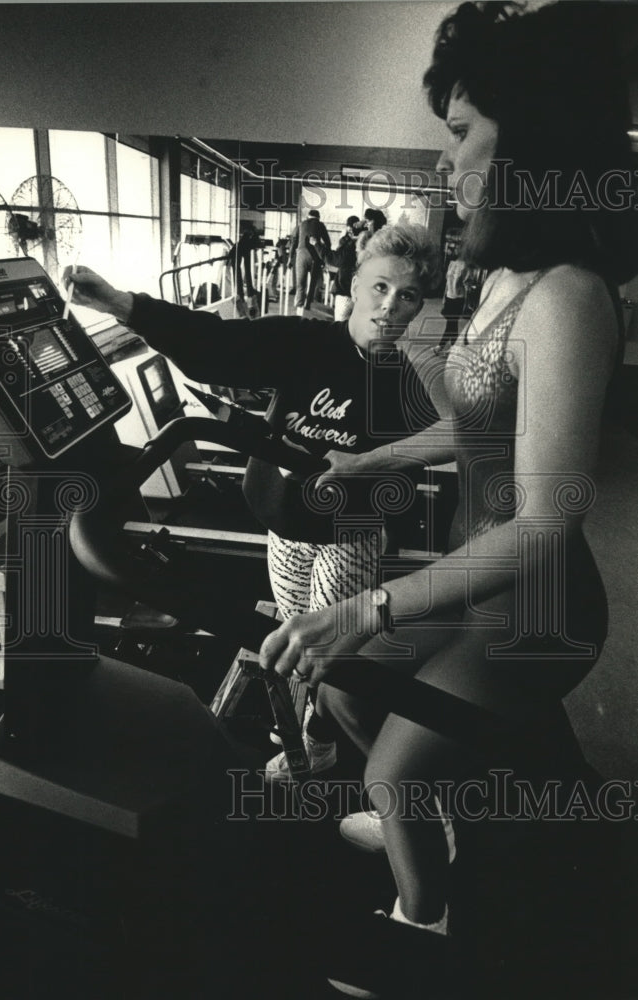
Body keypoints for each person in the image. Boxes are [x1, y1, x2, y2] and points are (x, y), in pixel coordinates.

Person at [256, 2, 638, 992]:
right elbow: (478, 431)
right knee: (343, 685)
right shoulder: (504, 283)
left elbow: (547, 517)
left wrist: (369, 601)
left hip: (538, 611)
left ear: (532, 140)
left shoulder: (566, 297)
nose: (445, 163)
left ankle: (419, 920)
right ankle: (432, 809)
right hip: (477, 587)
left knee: (386, 766)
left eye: (460, 134)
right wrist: (373, 464)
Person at [64, 220, 442, 772]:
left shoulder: (415, 378)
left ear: (417, 307)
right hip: (282, 520)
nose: (389, 306)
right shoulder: (307, 342)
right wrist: (123, 304)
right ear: (355, 283)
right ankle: (312, 721)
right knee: (290, 633)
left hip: (348, 532)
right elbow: (220, 347)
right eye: (380, 287)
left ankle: (319, 735)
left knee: (326, 652)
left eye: (406, 295)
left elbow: (442, 446)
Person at [310, 215, 361, 321]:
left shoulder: (351, 245)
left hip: (345, 292)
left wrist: (316, 244)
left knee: (340, 326)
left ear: (349, 229)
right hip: (358, 294)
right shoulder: (366, 242)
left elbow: (333, 259)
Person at [288, 208, 332, 314]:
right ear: (318, 217)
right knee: (314, 283)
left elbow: (293, 241)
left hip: (301, 255)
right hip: (315, 255)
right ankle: (310, 306)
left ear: (308, 216)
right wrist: (325, 258)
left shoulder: (301, 224)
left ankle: (299, 309)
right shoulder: (321, 225)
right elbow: (328, 243)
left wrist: (290, 258)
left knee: (300, 284)